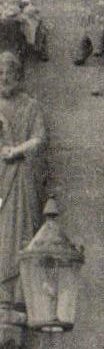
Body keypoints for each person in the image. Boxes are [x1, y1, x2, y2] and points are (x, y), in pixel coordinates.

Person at [0, 49, 47, 309]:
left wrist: (17, 150)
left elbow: (40, 139)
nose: (5, 77)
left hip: (21, 179)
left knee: (19, 229)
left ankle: (17, 291)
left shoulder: (30, 106)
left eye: (10, 72)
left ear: (19, 76)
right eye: (0, 73)